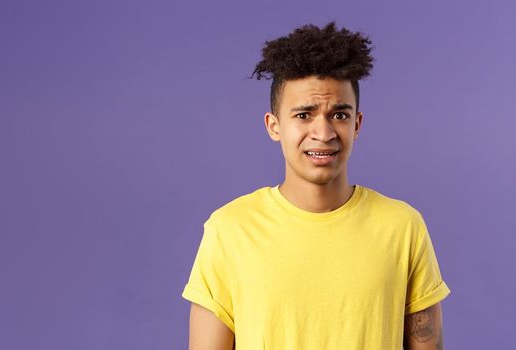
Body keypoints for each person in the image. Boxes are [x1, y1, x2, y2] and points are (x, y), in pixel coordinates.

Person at [181, 21, 451, 349]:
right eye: (303, 115)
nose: (323, 133)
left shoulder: (403, 227)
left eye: (338, 115)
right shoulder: (230, 230)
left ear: (357, 124)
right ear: (274, 125)